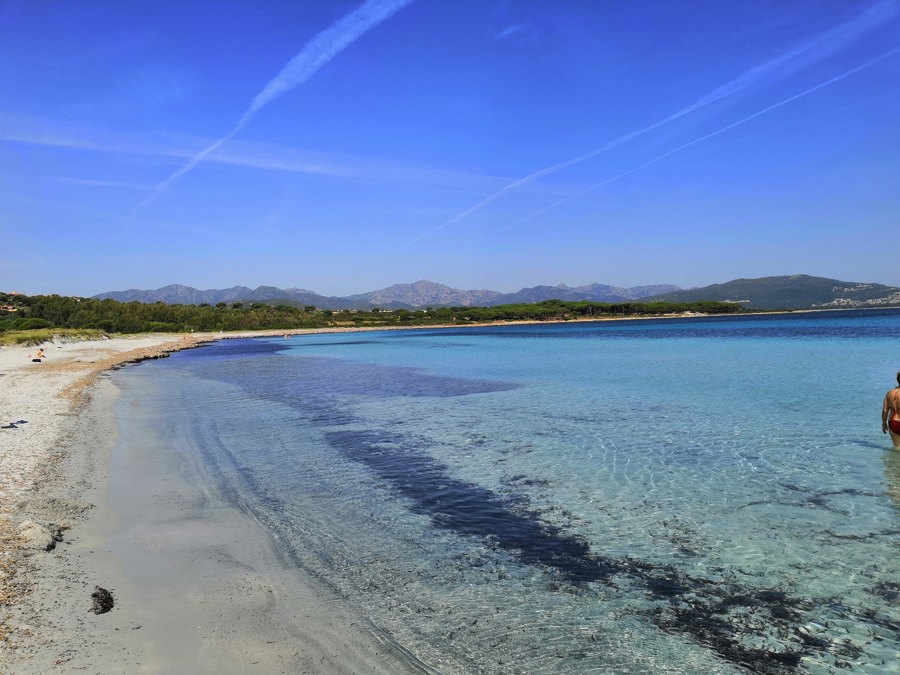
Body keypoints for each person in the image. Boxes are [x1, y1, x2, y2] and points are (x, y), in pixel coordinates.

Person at [881, 371, 900, 449]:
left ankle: (894, 461)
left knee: (897, 448)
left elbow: (885, 411)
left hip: (893, 423)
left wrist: (884, 424)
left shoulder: (889, 393)